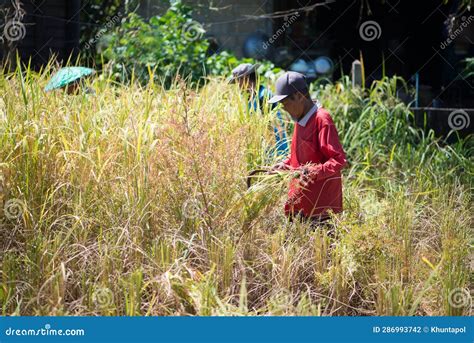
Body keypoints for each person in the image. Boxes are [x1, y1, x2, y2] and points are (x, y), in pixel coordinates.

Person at [268, 71, 347, 225]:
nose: (284, 108)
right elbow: (300, 157)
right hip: (299, 205)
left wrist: (312, 172)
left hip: (321, 210)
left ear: (299, 96)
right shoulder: (300, 119)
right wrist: (285, 165)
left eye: (285, 103)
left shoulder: (321, 119)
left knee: (322, 248)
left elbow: (339, 160)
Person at [229, 63, 289, 157]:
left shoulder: (264, 96)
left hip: (274, 148)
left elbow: (272, 126)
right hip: (261, 148)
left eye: (238, 81)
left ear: (246, 79)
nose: (238, 86)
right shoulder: (250, 97)